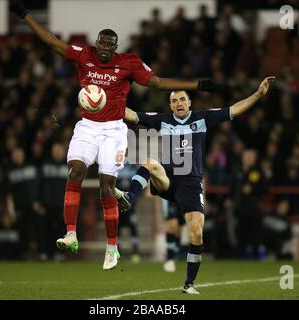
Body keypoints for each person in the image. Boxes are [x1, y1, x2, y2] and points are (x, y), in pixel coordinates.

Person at [9, 0, 220, 271]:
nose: (105, 48)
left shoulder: (129, 63)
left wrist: (197, 85)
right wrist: (25, 14)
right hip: (87, 126)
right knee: (74, 172)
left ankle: (112, 248)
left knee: (106, 186)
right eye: (102, 43)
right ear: (96, 43)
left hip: (114, 130)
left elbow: (156, 83)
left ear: (116, 47)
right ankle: (71, 233)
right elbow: (52, 42)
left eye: (110, 44)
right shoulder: (84, 55)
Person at [116, 76, 275, 293]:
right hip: (169, 178)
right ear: (170, 105)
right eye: (174, 101)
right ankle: (129, 197)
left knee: (196, 234)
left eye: (182, 99)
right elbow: (132, 115)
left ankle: (189, 284)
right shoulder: (162, 120)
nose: (178, 104)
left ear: (190, 103)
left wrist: (258, 94)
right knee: (150, 163)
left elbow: (234, 110)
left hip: (191, 183)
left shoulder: (203, 118)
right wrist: (106, 102)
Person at [162, 199, 185, 272]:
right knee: (172, 225)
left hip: (184, 196)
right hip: (170, 196)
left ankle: (174, 254)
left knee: (179, 230)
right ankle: (169, 259)